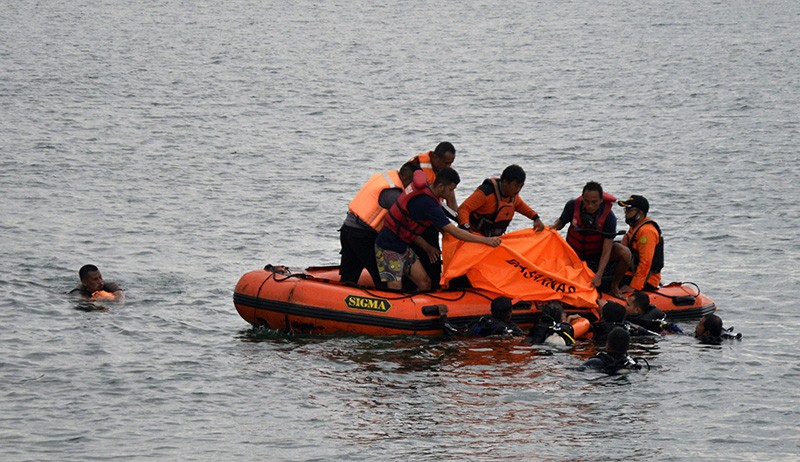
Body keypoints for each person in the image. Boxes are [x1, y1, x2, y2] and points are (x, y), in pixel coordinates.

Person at [375, 167, 501, 291]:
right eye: (450, 190)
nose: (451, 194)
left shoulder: (427, 190)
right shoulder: (428, 203)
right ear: (441, 187)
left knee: (425, 283)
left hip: (403, 246)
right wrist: (486, 241)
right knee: (395, 289)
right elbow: (453, 231)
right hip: (388, 247)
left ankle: (416, 309)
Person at [338, 162, 420, 286]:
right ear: (407, 178)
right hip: (363, 235)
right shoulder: (393, 193)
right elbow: (404, 224)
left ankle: (340, 299)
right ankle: (387, 301)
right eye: (415, 184)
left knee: (349, 275)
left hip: (348, 228)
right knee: (382, 277)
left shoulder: (386, 178)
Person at [406, 142, 458, 290]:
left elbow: (451, 200)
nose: (448, 166)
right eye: (446, 162)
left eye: (451, 163)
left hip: (432, 220)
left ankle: (433, 288)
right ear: (435, 157)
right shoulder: (417, 168)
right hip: (414, 223)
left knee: (434, 264)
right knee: (422, 257)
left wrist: (459, 222)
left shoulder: (444, 170)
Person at [551, 181, 620, 288]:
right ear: (582, 198)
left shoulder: (609, 218)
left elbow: (606, 251)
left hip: (594, 258)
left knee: (625, 253)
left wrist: (599, 275)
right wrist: (548, 230)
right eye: (586, 201)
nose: (590, 206)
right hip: (572, 254)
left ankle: (614, 288)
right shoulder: (572, 206)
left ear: (601, 200)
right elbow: (559, 223)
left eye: (594, 202)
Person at [457, 164, 545, 237]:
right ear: (505, 182)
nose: (518, 190)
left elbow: (522, 207)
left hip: (493, 240)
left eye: (521, 186)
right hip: (474, 237)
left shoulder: (513, 197)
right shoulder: (486, 193)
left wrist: (536, 218)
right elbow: (463, 209)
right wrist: (466, 228)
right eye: (515, 185)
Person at [611, 195, 663, 297]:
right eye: (626, 209)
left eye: (630, 210)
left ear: (640, 213)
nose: (626, 213)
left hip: (647, 279)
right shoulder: (635, 227)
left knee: (605, 282)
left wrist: (634, 286)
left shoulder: (647, 232)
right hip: (630, 272)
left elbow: (646, 262)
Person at [438, 296, 525, 338]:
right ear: (509, 312)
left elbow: (453, 330)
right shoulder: (512, 329)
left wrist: (443, 315)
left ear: (491, 310)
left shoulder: (482, 322)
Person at [579, 327, 649, 373]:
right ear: (627, 347)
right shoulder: (632, 363)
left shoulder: (596, 362)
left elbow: (578, 371)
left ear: (607, 346)